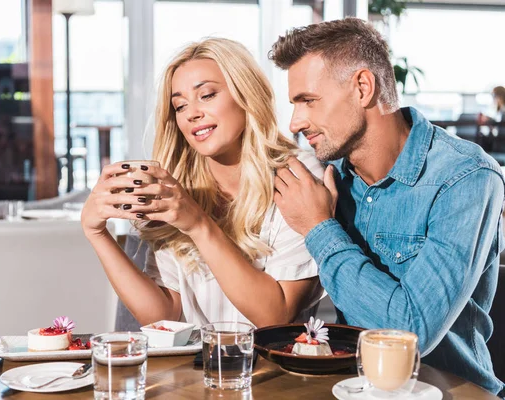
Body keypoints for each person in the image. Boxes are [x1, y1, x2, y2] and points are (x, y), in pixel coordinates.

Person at [268, 18, 505, 396]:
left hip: (455, 394)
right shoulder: (330, 179)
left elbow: (409, 334)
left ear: (363, 87)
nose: (296, 122)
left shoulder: (466, 177)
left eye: (308, 101)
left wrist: (318, 228)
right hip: (356, 389)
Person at [81, 38, 325, 328]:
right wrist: (97, 234)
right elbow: (164, 317)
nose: (192, 113)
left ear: (246, 94)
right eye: (180, 106)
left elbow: (275, 315)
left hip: (272, 369)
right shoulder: (177, 188)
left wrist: (197, 223)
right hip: (199, 369)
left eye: (207, 95)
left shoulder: (297, 174)